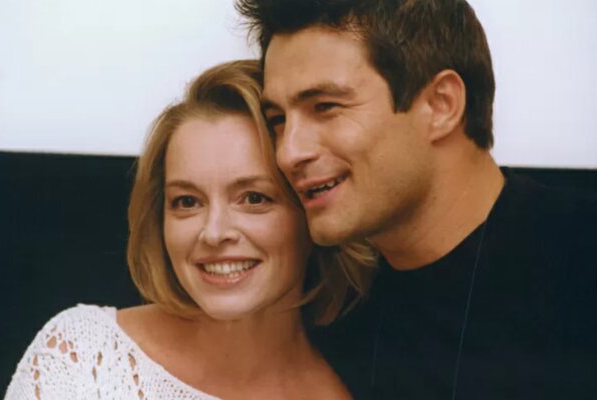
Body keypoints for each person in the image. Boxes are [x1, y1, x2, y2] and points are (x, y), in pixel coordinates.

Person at [236, 0, 597, 399]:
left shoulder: (581, 261)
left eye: (325, 107)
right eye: (278, 120)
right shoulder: (329, 300)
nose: (288, 153)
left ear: (441, 105)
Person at [4, 60, 377, 399]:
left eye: (253, 198)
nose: (213, 233)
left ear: (310, 210)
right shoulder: (83, 357)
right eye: (187, 201)